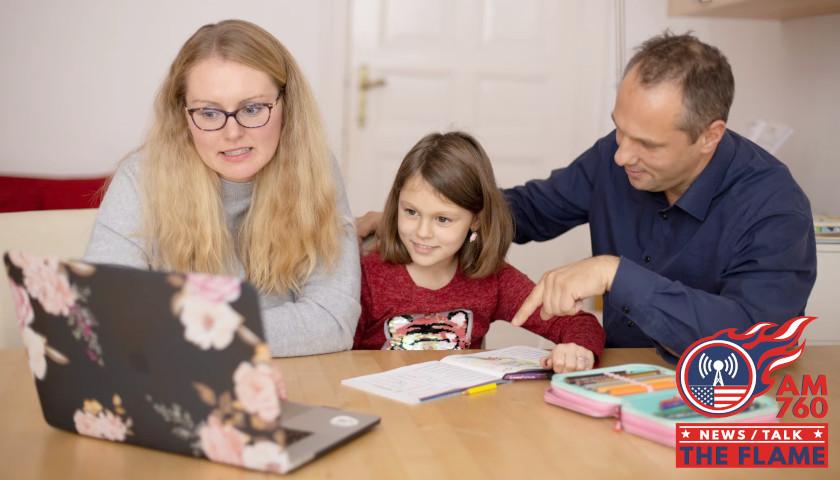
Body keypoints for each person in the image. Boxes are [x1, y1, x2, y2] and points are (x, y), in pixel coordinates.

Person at [357, 32, 816, 361]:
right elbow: (529, 210)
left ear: (709, 136)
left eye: (648, 144)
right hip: (617, 377)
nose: (621, 156)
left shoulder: (774, 208)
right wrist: (445, 211)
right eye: (619, 129)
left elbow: (760, 339)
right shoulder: (613, 158)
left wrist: (615, 273)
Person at [85, 19, 360, 356]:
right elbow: (105, 316)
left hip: (293, 380)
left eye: (253, 108)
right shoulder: (138, 180)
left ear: (287, 105)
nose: (232, 133)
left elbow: (333, 321)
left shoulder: (316, 171)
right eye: (209, 112)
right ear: (182, 114)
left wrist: (178, 330)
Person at [354, 131, 605, 372]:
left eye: (442, 219)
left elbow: (580, 323)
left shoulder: (493, 279)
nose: (422, 232)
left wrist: (577, 350)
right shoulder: (368, 277)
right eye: (411, 212)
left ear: (475, 220)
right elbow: (337, 356)